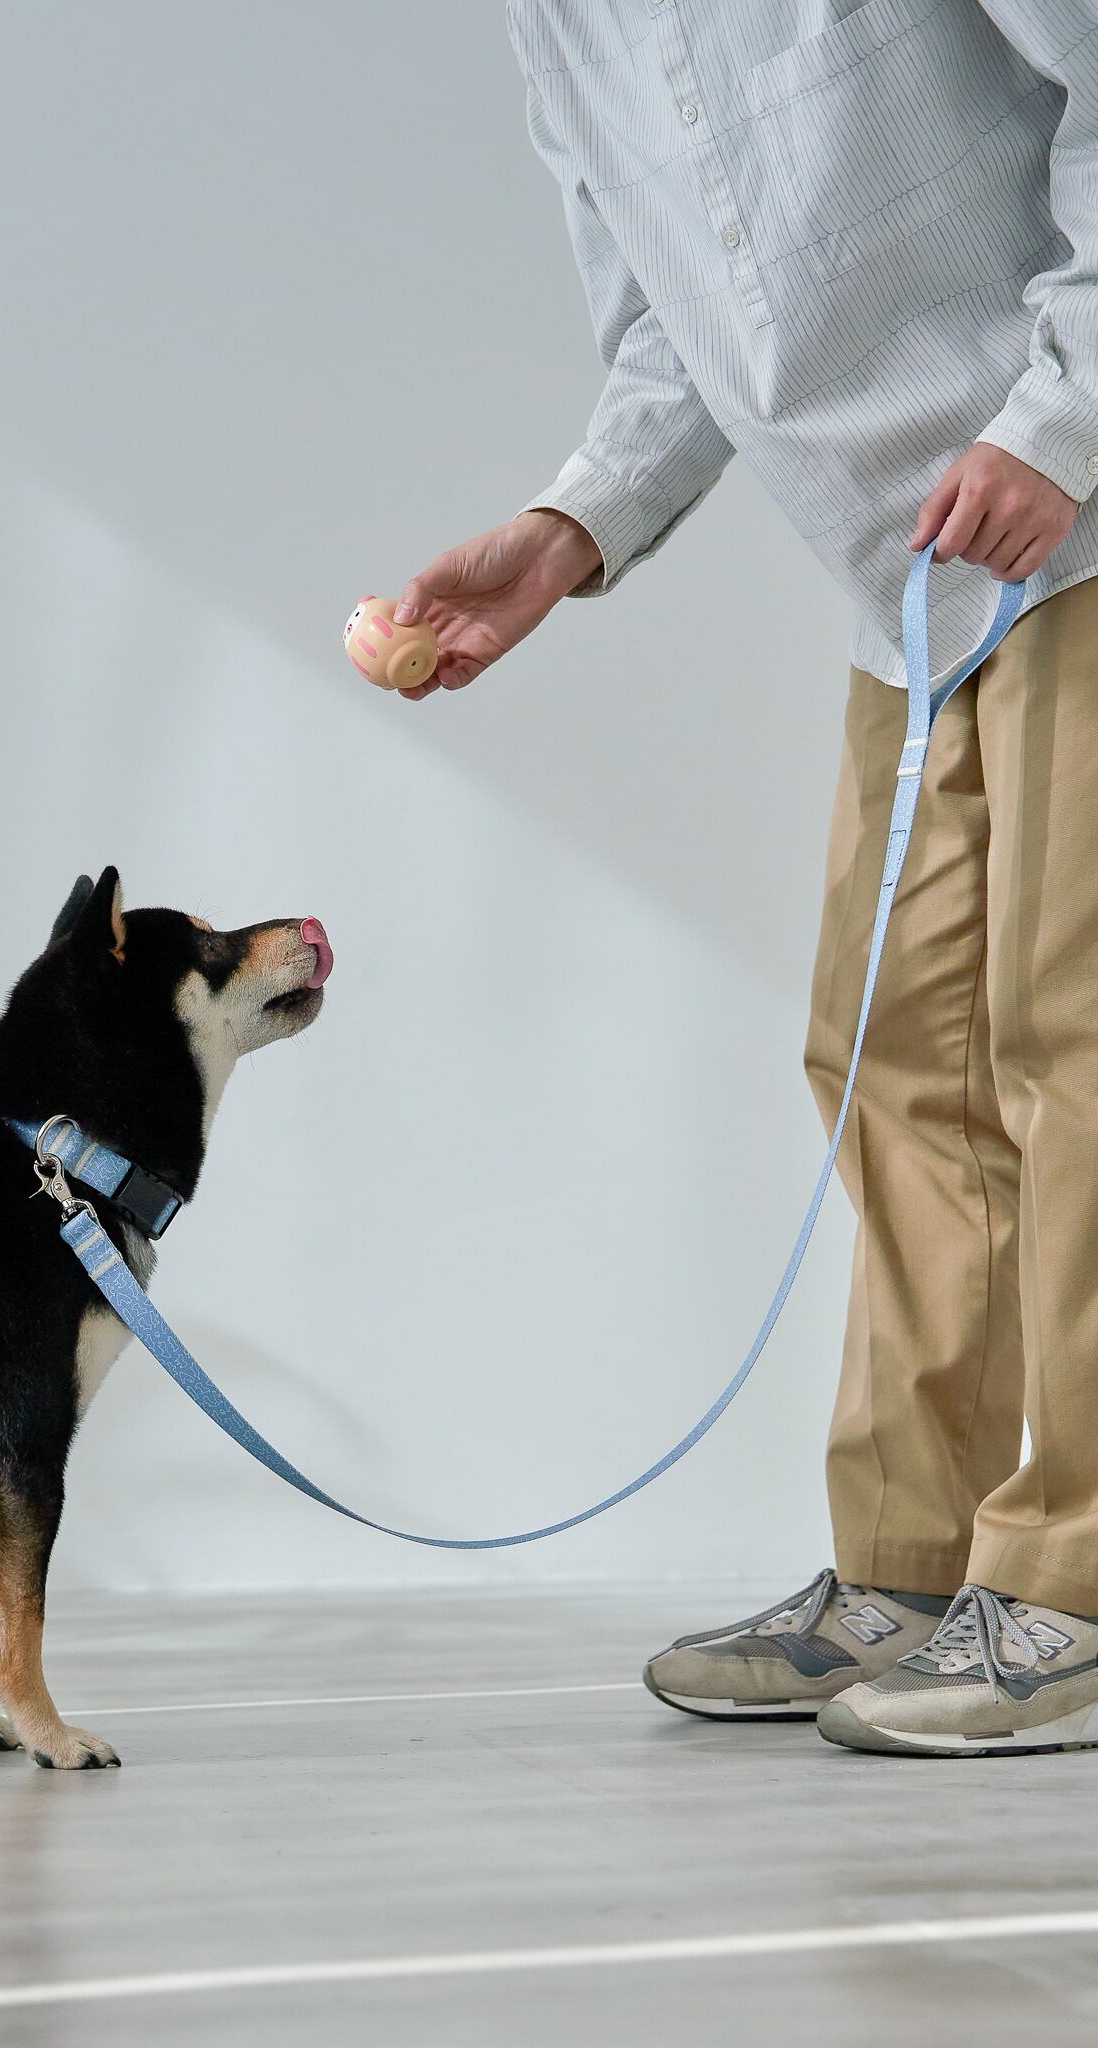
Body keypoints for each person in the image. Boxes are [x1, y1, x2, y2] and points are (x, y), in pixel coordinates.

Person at [407, 4, 1098, 1756]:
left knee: (1076, 1052)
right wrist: (573, 526)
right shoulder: (551, 22)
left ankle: (1082, 1583)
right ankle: (913, 1567)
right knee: (894, 1068)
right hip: (916, 583)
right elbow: (674, 317)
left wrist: (1066, 417)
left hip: (1080, 509)